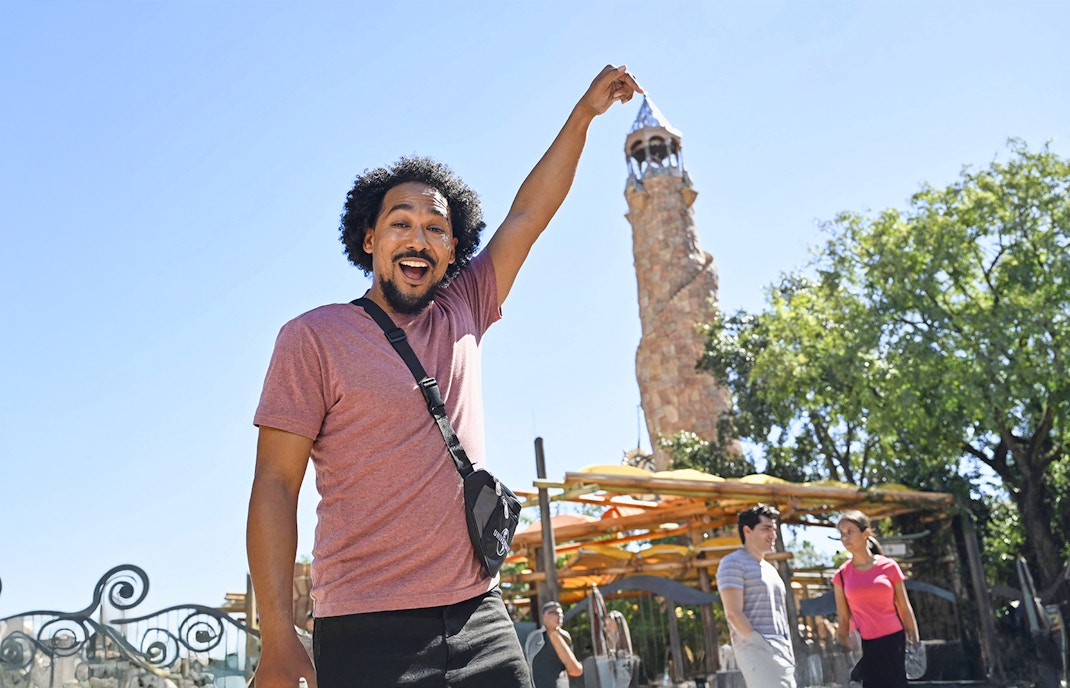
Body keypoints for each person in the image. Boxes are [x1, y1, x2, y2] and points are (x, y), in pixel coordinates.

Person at [246, 64, 642, 688]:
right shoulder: (312, 338)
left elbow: (528, 215)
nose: (419, 237)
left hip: (481, 616)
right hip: (364, 626)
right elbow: (273, 484)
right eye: (401, 223)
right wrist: (276, 634)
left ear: (453, 251)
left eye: (436, 228)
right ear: (370, 238)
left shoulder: (466, 307)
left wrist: (584, 115)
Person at [832, 510, 920, 688]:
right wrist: (843, 646)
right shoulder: (841, 575)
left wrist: (915, 639)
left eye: (850, 531)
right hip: (864, 645)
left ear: (865, 533)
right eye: (842, 533)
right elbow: (843, 617)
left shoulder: (889, 566)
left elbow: (904, 606)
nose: (845, 537)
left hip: (894, 640)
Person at [715, 503, 796, 688]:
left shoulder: (770, 569)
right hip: (759, 652)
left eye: (774, 529)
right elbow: (733, 613)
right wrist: (759, 644)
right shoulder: (732, 563)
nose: (772, 535)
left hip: (782, 652)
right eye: (766, 529)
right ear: (747, 531)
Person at [523, 601, 584, 688]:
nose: (559, 615)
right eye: (554, 612)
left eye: (561, 613)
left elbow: (574, 669)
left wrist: (554, 634)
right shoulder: (535, 637)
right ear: (545, 616)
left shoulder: (565, 637)